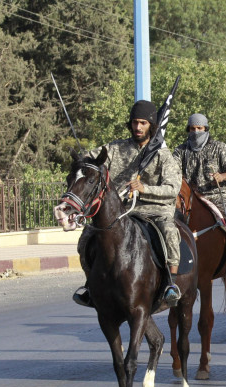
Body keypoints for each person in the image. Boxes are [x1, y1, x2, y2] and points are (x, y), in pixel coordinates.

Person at [73, 100, 182, 307]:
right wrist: (83, 158)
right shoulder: (116, 148)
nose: (138, 127)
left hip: (153, 210)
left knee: (169, 232)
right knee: (86, 237)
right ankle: (90, 284)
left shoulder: (162, 155)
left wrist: (144, 189)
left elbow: (172, 189)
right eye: (134, 122)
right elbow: (92, 159)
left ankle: (170, 283)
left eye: (143, 123)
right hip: (120, 211)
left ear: (152, 125)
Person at [173, 113, 226, 279]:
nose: (196, 132)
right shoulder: (181, 151)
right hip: (191, 196)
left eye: (199, 128)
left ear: (206, 129)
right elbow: (172, 171)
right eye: (192, 129)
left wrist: (222, 176)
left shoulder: (219, 147)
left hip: (218, 194)